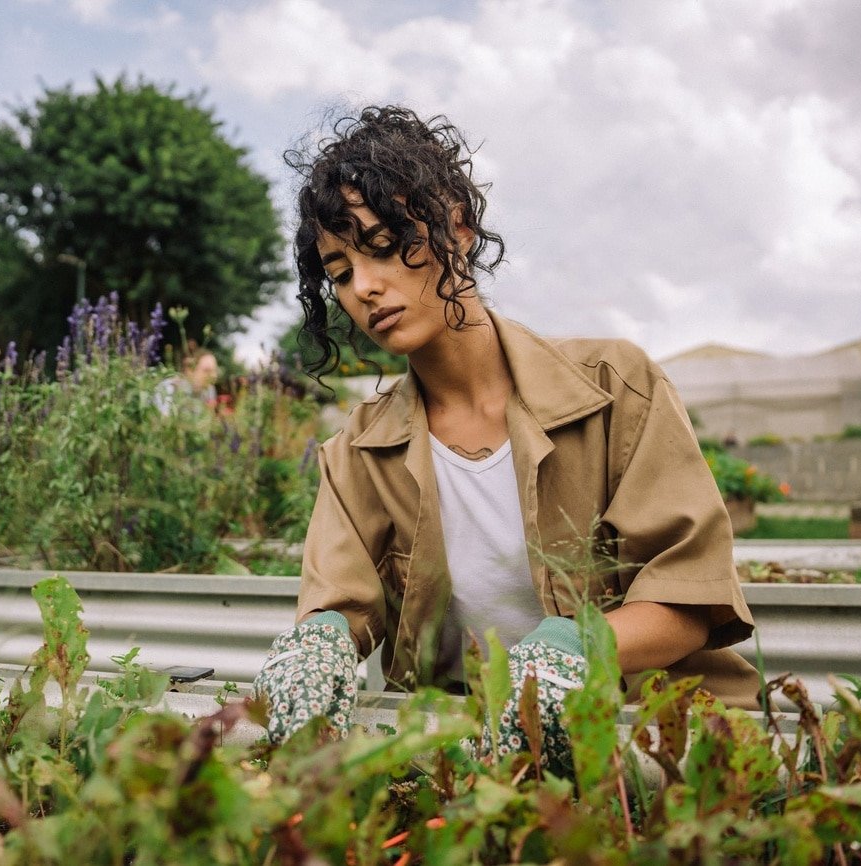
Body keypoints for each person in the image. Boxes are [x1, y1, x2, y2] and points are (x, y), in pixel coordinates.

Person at [253, 106, 761, 765]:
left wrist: (577, 648)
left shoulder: (615, 386)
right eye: (341, 271)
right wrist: (317, 643)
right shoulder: (357, 452)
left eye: (381, 245)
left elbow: (690, 598)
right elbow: (338, 604)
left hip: (658, 741)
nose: (366, 288)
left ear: (456, 224)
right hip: (483, 757)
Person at [155, 347, 219, 414]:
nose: (214, 376)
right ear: (189, 370)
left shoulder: (209, 390)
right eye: (207, 371)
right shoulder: (168, 389)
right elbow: (162, 421)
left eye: (215, 371)